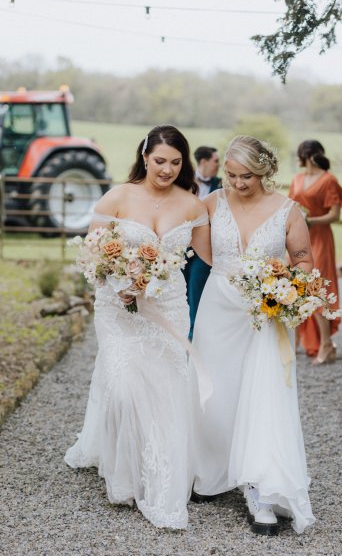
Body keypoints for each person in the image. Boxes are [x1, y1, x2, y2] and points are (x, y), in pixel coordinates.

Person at [65, 125, 211, 530]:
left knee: (165, 390)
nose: (167, 169)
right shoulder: (118, 196)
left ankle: (161, 475)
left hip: (167, 309)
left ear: (184, 164)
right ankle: (125, 473)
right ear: (145, 156)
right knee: (126, 387)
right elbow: (92, 257)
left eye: (176, 162)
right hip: (117, 310)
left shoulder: (193, 205)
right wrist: (118, 284)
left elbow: (211, 258)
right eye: (160, 160)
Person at [190, 135, 316, 536]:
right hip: (217, 305)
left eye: (246, 176)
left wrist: (284, 289)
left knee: (260, 392)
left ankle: (259, 484)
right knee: (214, 387)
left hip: (264, 311)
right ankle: (211, 472)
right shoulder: (211, 203)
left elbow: (302, 261)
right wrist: (232, 273)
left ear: (264, 172)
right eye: (230, 175)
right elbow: (201, 251)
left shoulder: (288, 211)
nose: (237, 183)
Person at [289, 140, 342, 364]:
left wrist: (311, 220)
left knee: (317, 289)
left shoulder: (328, 179)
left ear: (307, 155)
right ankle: (294, 341)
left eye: (299, 156)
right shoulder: (297, 179)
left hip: (321, 238)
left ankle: (326, 344)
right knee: (296, 287)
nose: (298, 160)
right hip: (298, 238)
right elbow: (290, 206)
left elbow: (335, 215)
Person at [183, 145, 221, 339]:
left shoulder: (221, 186)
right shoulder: (183, 182)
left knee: (197, 284)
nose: (219, 165)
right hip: (181, 244)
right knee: (181, 287)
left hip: (205, 246)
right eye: (216, 161)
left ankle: (194, 331)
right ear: (204, 162)